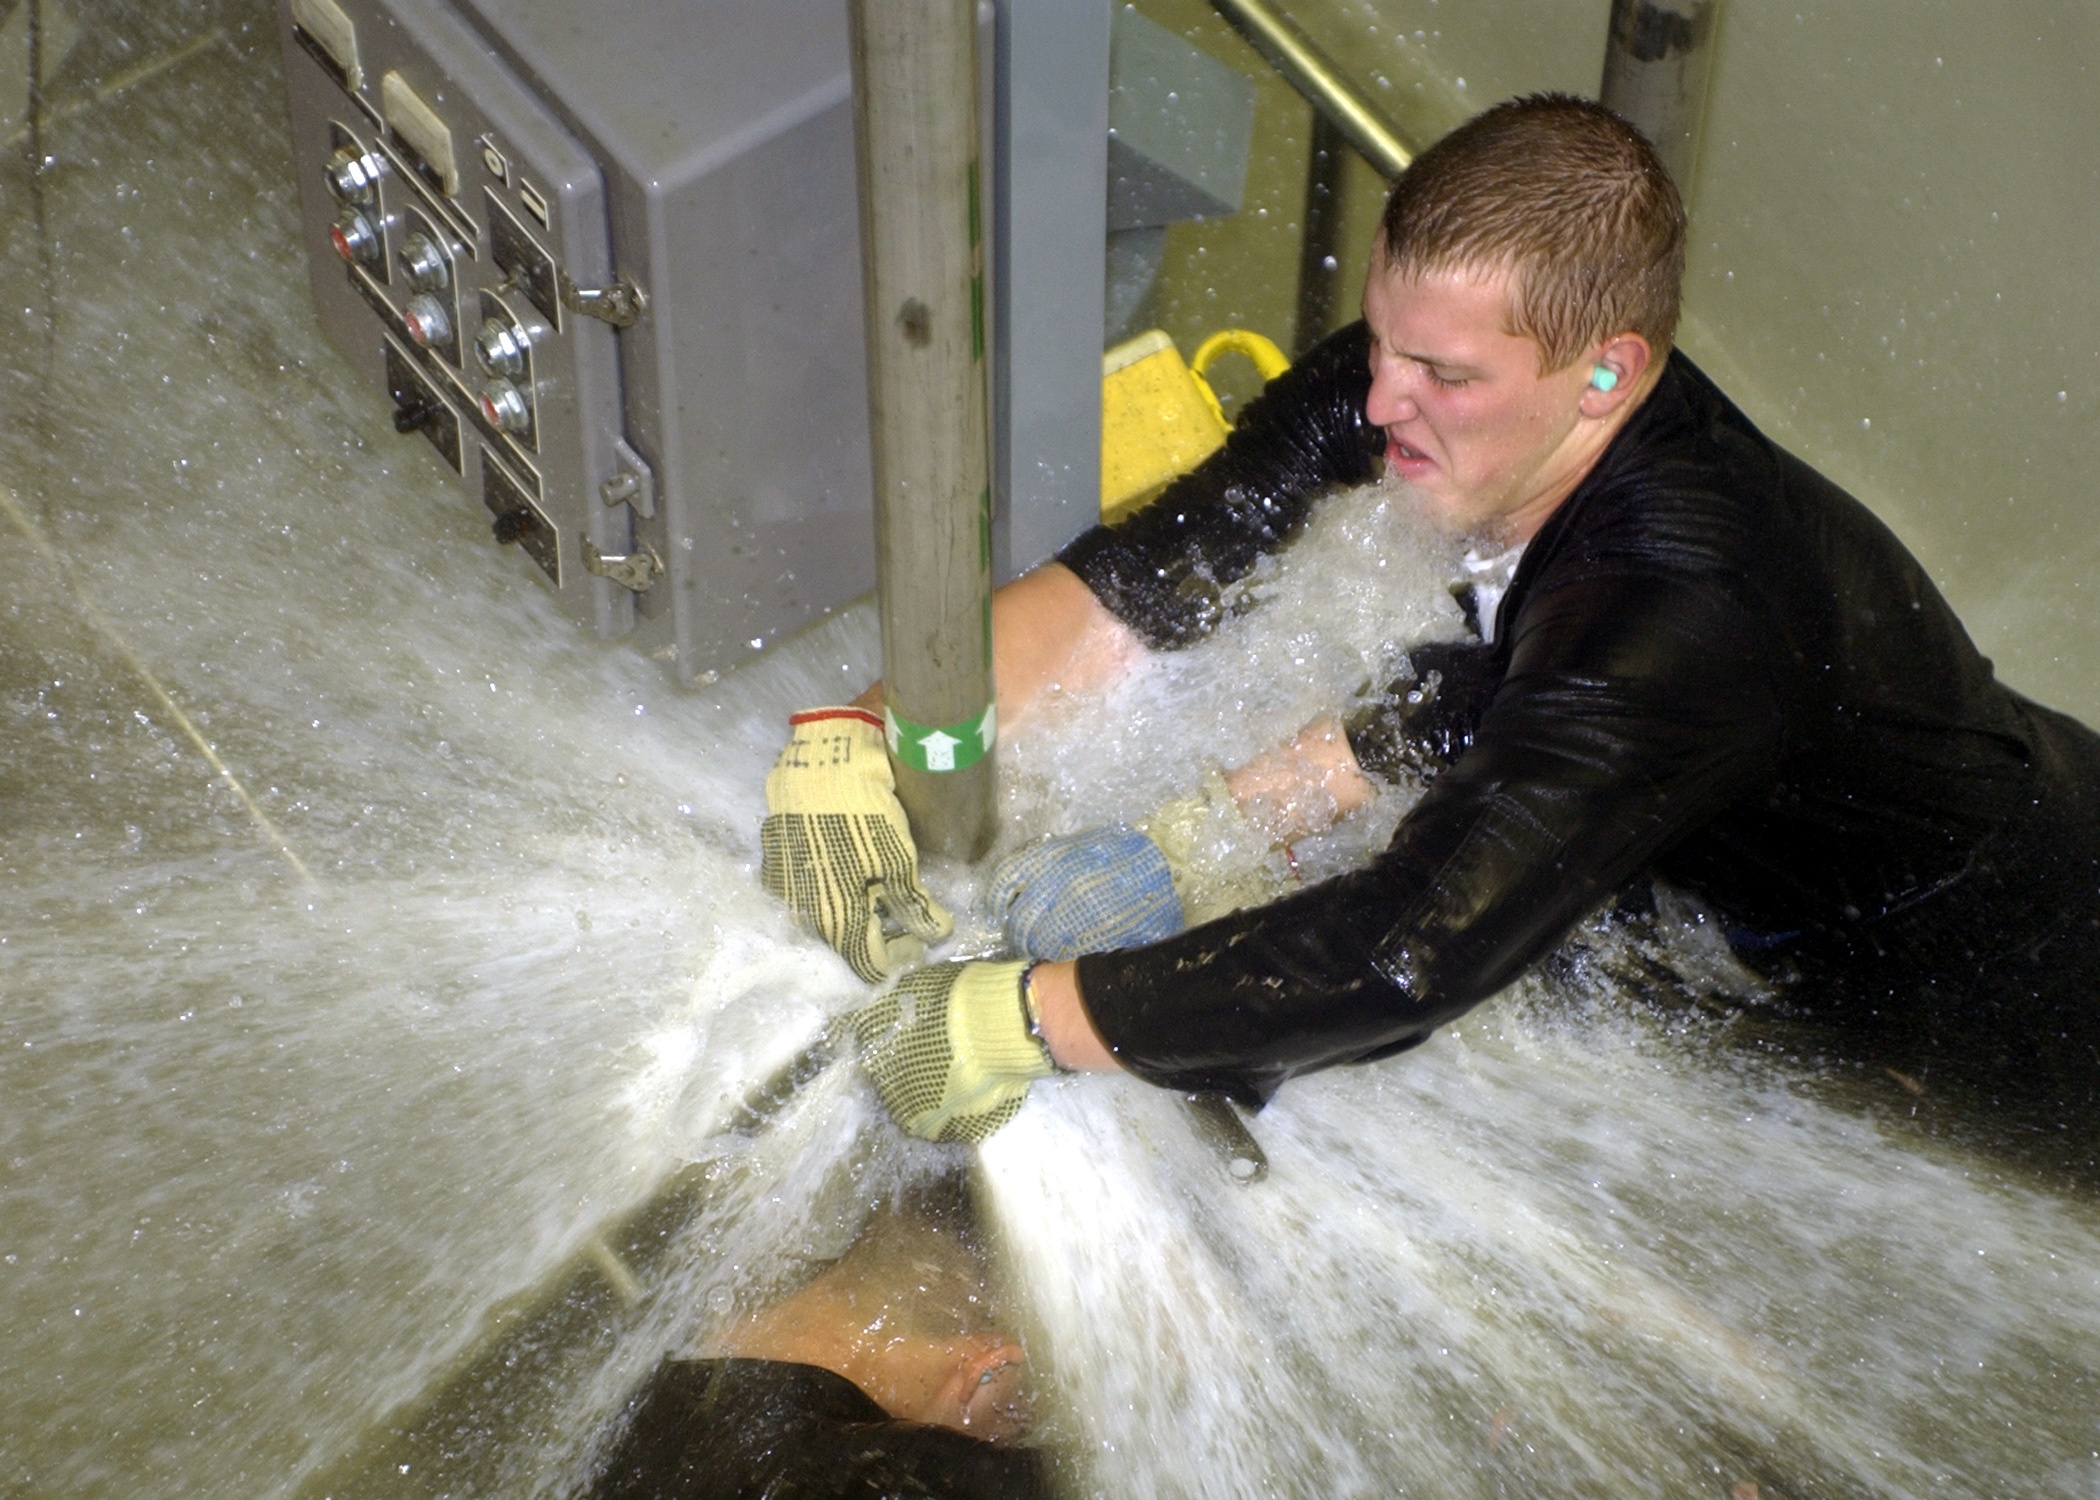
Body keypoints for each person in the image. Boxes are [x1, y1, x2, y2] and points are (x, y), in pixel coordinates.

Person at [767, 94, 2100, 1165]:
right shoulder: (1450, 400)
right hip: (1768, 822)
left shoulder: (1685, 611)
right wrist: (862, 735)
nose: (1380, 399)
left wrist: (1024, 1019)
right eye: (1386, 339)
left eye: (1444, 374)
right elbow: (1153, 578)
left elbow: (1413, 947)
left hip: (2005, 979)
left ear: (1606, 372)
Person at [588, 1194, 1047, 1498]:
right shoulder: (911, 1472)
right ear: (990, 1367)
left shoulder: (622, 1388)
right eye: (1024, 1415)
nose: (1015, 1429)